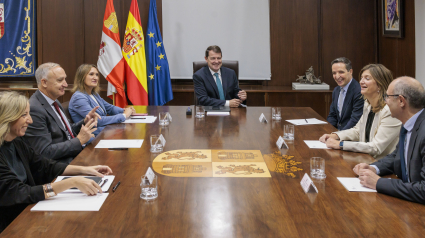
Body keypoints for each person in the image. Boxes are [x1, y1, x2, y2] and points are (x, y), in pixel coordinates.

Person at [0, 91, 112, 232]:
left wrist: (85, 170)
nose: (30, 120)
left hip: (27, 209)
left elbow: (44, 165)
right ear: (6, 117)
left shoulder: (16, 141)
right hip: (10, 223)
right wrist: (72, 182)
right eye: (24, 115)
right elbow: (19, 192)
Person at [353, 77, 425, 204]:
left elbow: (423, 190)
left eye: (388, 96)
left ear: (401, 101)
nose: (385, 101)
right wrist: (374, 168)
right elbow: (397, 156)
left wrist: (379, 183)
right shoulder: (409, 123)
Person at [320, 64, 401, 160]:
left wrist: (341, 144)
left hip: (381, 165)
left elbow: (376, 147)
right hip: (364, 158)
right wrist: (336, 135)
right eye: (361, 78)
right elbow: (358, 131)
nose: (361, 82)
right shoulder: (368, 104)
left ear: (379, 84)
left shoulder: (390, 111)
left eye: (367, 78)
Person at [24, 63, 100, 164]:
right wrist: (79, 141)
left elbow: (66, 131)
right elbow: (44, 152)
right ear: (44, 82)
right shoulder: (34, 109)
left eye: (65, 79)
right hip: (60, 165)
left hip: (75, 155)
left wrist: (85, 121)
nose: (65, 84)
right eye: (60, 80)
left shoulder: (54, 100)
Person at [69, 64, 135, 139]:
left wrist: (125, 110)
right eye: (91, 74)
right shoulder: (78, 97)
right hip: (93, 138)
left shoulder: (94, 94)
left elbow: (109, 108)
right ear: (81, 77)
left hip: (104, 132)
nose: (95, 78)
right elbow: (97, 120)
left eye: (97, 75)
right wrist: (124, 115)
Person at [327, 57, 364, 130]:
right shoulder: (336, 90)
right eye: (334, 73)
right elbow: (332, 115)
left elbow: (355, 120)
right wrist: (329, 130)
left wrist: (338, 135)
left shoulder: (359, 91)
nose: (337, 76)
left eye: (341, 72)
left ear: (350, 71)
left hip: (351, 136)